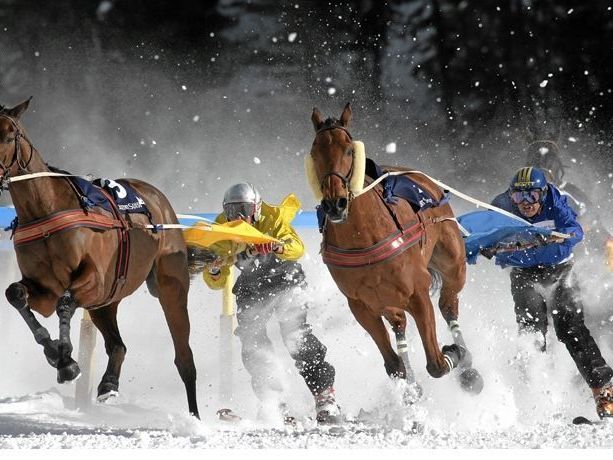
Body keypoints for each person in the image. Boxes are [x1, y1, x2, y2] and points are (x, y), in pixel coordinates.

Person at [201, 182, 341, 424]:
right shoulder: (222, 228)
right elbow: (216, 280)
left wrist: (276, 245)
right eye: (233, 211)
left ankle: (324, 396)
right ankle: (273, 400)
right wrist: (214, 269)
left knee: (295, 335)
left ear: (256, 208)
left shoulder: (271, 218)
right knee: (252, 339)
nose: (240, 216)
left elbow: (296, 248)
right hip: (251, 284)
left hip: (285, 278)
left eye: (245, 209)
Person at [489, 167, 613, 419]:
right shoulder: (502, 206)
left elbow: (575, 229)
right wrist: (485, 246)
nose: (525, 204)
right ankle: (538, 400)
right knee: (532, 333)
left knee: (571, 330)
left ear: (543, 194)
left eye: (532, 196)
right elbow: (482, 232)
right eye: (518, 197)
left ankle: (605, 391)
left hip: (560, 271)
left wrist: (565, 235)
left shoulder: (556, 201)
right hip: (525, 275)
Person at [526, 140, 613, 268]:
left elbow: (593, 220)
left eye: (548, 161)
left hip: (572, 259)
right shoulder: (520, 195)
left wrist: (606, 240)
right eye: (538, 162)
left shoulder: (570, 192)